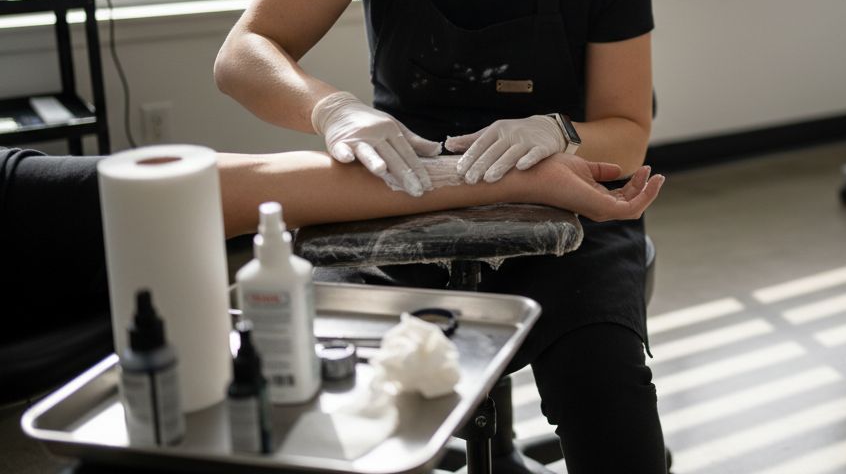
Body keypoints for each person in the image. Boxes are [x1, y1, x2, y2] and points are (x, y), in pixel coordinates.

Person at [212, 0, 664, 471]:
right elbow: (243, 55)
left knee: (614, 415)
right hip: (398, 195)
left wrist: (560, 132)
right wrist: (332, 109)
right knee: (327, 411)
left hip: (560, 208)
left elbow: (627, 130)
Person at [3, 145, 661, 403]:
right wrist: (331, 111)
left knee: (603, 361)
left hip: (560, 184)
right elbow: (245, 56)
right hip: (408, 179)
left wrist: (507, 167)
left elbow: (239, 184)